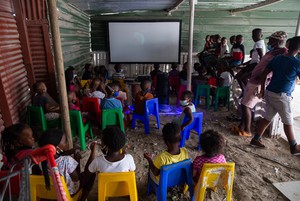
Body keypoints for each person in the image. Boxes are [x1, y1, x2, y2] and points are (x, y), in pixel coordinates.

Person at [250, 36, 300, 155]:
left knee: (267, 117)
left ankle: (255, 139)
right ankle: (294, 147)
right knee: (288, 122)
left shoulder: (277, 58)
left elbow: (263, 75)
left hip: (270, 92)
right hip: (282, 96)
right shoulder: (296, 63)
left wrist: (262, 89)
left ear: (288, 45)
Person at [232, 31, 288, 137]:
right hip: (254, 80)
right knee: (245, 104)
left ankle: (247, 130)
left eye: (272, 39)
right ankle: (241, 127)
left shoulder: (282, 53)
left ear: (279, 41)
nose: (269, 41)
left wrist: (263, 82)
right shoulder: (272, 52)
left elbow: (274, 69)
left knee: (246, 106)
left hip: (259, 82)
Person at [39, 128, 95, 201]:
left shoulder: (39, 162)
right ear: (57, 148)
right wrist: (77, 160)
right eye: (65, 142)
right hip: (66, 194)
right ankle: (82, 199)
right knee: (91, 175)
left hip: (50, 194)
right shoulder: (67, 161)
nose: (67, 143)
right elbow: (76, 180)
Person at [235, 29, 266, 96]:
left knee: (243, 78)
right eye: (252, 35)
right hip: (252, 64)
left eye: (255, 35)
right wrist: (243, 64)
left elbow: (261, 56)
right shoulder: (258, 43)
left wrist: (260, 68)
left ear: (261, 35)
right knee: (238, 76)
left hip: (256, 65)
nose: (253, 37)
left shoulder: (259, 43)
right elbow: (254, 58)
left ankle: (249, 92)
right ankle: (245, 91)